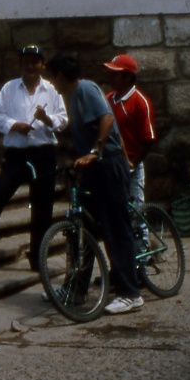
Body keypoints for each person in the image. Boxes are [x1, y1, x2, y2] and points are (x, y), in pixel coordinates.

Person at [47, 53, 142, 314]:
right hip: (92, 166)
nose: (52, 83)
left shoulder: (85, 88)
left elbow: (107, 119)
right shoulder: (71, 96)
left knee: (115, 228)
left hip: (106, 163)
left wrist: (95, 150)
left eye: (52, 77)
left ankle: (129, 293)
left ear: (60, 75)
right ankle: (76, 289)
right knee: (83, 228)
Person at [0, 45, 67, 269]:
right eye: (26, 61)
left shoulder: (51, 90)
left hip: (43, 153)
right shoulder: (9, 88)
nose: (30, 66)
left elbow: (63, 120)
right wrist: (14, 125)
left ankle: (38, 255)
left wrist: (46, 119)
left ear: (42, 65)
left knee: (43, 206)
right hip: (17, 154)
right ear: (20, 64)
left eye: (35, 62)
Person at [104, 54, 156, 206]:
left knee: (136, 209)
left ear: (127, 77)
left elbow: (147, 139)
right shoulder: (108, 99)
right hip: (113, 162)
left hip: (132, 162)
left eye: (115, 74)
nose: (110, 78)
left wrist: (132, 164)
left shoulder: (139, 102)